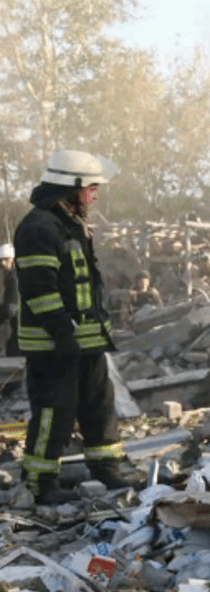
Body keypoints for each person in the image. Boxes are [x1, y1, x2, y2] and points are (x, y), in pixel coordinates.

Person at [16, 150, 133, 503]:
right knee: (56, 410)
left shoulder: (69, 223)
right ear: (72, 187)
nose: (95, 195)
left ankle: (106, 470)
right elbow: (40, 289)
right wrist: (62, 333)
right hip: (53, 344)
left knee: (99, 405)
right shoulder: (38, 227)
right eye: (91, 189)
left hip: (86, 341)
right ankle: (40, 483)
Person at [0, 243, 17, 355]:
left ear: (13, 260)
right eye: (0, 261)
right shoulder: (10, 277)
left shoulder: (13, 278)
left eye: (6, 260)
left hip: (12, 327)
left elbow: (10, 308)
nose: (3, 264)